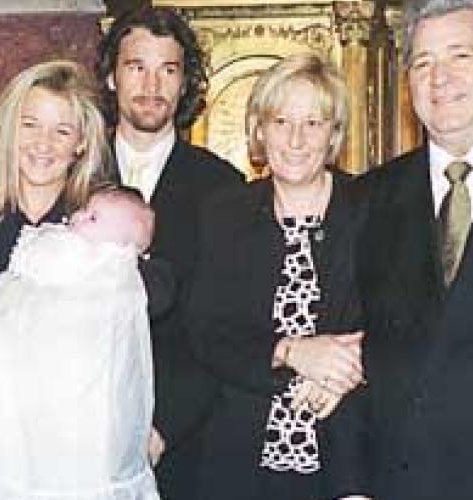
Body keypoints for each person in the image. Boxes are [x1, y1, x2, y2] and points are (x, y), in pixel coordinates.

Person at [185, 54, 369, 500]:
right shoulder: (224, 214)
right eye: (281, 121)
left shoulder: (373, 208)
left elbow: (402, 320)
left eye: (313, 123)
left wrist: (350, 367)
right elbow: (206, 333)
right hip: (240, 461)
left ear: (334, 133)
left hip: (350, 456)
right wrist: (291, 352)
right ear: (259, 130)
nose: (296, 139)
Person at [0, 186, 160, 500]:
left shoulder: (100, 263)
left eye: (93, 218)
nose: (78, 217)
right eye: (85, 210)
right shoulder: (74, 247)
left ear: (120, 245)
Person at [358, 0, 473, 497]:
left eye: (460, 56)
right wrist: (350, 487)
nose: (439, 79)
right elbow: (342, 349)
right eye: (422, 63)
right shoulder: (368, 197)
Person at [96, 7, 243, 496]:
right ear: (112, 77)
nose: (151, 85)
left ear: (185, 85)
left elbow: (225, 323)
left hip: (184, 440)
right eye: (136, 67)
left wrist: (164, 427)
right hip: (78, 429)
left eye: (168, 70)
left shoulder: (223, 187)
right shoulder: (73, 171)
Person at [0, 59, 110, 306]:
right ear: (9, 129)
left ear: (82, 142)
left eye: (62, 131)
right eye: (30, 125)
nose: (43, 143)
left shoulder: (103, 224)